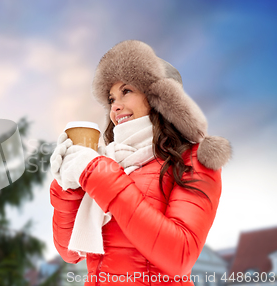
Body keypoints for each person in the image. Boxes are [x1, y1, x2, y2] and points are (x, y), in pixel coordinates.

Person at [50, 40, 232, 286]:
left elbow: (180, 256)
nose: (116, 106)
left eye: (127, 91)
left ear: (159, 98)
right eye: (111, 98)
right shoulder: (109, 161)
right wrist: (69, 182)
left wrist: (95, 172)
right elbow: (69, 252)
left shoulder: (193, 160)